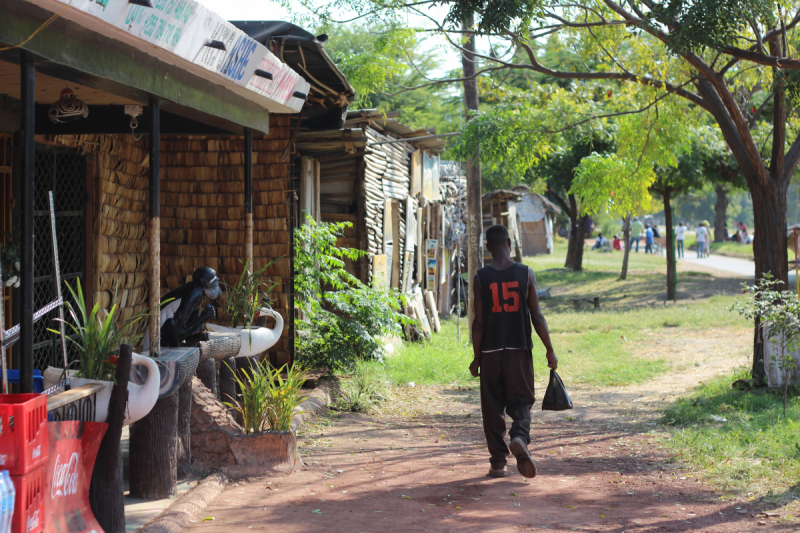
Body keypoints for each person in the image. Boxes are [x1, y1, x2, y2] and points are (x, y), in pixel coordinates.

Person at [470, 225, 558, 479]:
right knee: (521, 402)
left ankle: (498, 463)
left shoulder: (480, 278)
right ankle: (519, 437)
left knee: (492, 407)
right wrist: (549, 350)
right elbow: (537, 317)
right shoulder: (525, 273)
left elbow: (478, 323)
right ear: (509, 243)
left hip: (490, 353)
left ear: (488, 247)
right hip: (519, 351)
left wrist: (477, 357)